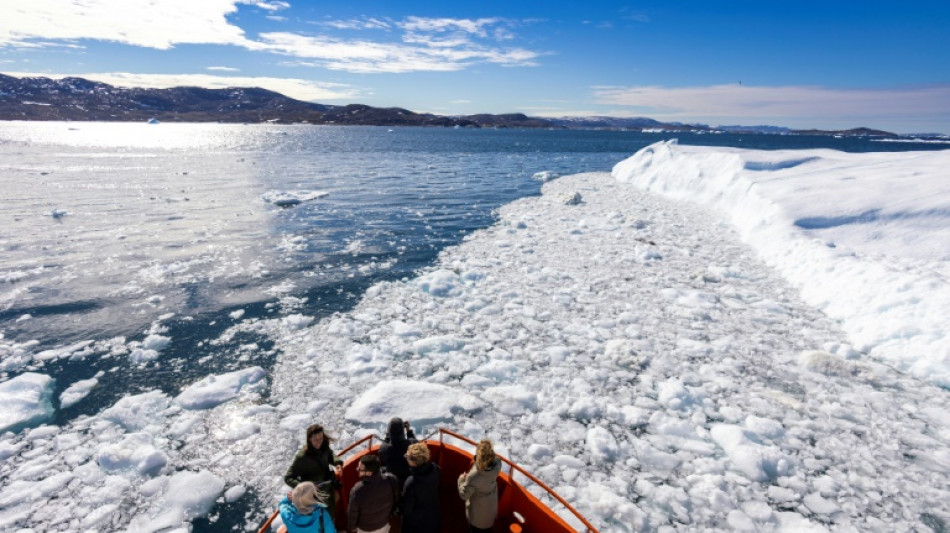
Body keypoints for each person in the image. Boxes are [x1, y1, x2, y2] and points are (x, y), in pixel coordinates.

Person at [285, 424, 344, 512]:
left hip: (328, 487)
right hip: (315, 495)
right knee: (323, 515)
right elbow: (288, 477)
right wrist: (305, 487)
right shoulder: (302, 457)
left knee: (333, 506)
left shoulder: (323, 446)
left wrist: (337, 462)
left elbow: (330, 454)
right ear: (309, 439)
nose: (319, 442)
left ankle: (331, 522)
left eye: (321, 439)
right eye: (315, 440)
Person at [457, 439, 502, 533]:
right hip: (490, 508)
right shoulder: (498, 463)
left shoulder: (474, 476)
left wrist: (461, 480)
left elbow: (464, 495)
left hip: (477, 517)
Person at [347, 455, 399, 533]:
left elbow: (352, 513)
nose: (357, 469)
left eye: (360, 469)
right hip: (383, 524)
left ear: (369, 473)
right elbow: (396, 499)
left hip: (365, 529)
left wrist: (352, 527)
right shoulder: (391, 479)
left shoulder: (357, 490)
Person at [401, 442, 441, 533]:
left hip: (416, 522)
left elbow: (407, 510)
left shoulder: (411, 482)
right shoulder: (435, 468)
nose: (406, 457)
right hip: (432, 514)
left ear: (413, 462)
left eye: (407, 456)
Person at [377, 417, 417, 486]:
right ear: (402, 431)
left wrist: (388, 436)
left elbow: (382, 452)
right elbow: (416, 443)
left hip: (392, 483)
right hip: (410, 481)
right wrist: (408, 431)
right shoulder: (411, 444)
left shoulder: (384, 449)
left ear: (390, 432)